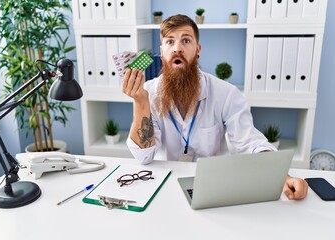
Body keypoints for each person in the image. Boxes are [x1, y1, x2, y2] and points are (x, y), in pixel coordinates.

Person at [121, 14, 308, 200]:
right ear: (162, 52)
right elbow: (144, 156)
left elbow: (250, 142)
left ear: (198, 49)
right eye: (170, 42)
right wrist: (140, 103)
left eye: (186, 40)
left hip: (215, 188)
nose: (177, 48)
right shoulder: (148, 93)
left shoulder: (225, 93)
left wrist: (283, 176)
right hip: (164, 186)